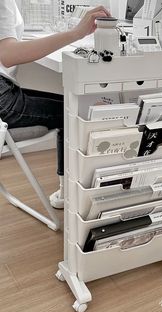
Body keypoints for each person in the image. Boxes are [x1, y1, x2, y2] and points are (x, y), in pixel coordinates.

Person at [0, 1, 110, 209]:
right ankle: (73, 191)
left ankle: (67, 189)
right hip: (3, 98)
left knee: (69, 106)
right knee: (74, 112)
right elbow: (8, 54)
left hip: (5, 92)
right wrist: (76, 33)